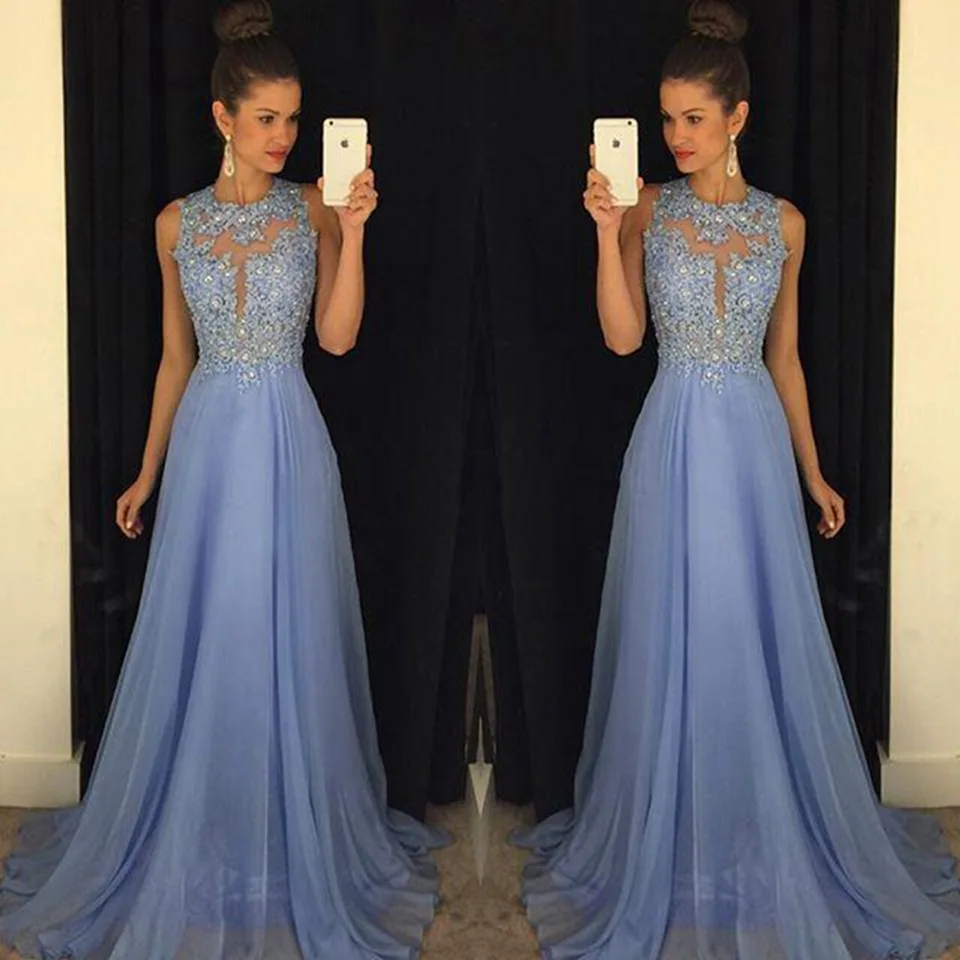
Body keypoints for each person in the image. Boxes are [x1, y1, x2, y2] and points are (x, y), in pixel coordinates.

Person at [510, 2, 960, 957]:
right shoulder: (646, 206)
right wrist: (605, 232)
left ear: (737, 118)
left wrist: (812, 471)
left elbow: (784, 358)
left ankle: (758, 828)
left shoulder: (784, 224)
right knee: (675, 633)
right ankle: (675, 837)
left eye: (693, 119)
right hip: (673, 437)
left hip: (752, 445)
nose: (676, 136)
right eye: (667, 118)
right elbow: (622, 338)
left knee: (750, 635)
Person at [0, 2, 445, 957]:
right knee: (211, 635)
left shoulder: (314, 206)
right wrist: (148, 471)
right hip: (206, 446)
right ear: (222, 117)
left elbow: (337, 337)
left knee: (284, 633)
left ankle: (282, 837)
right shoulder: (176, 225)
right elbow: (175, 359)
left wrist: (354, 231)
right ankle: (203, 827)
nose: (283, 136)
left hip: (287, 437)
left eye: (293, 118)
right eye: (266, 119)